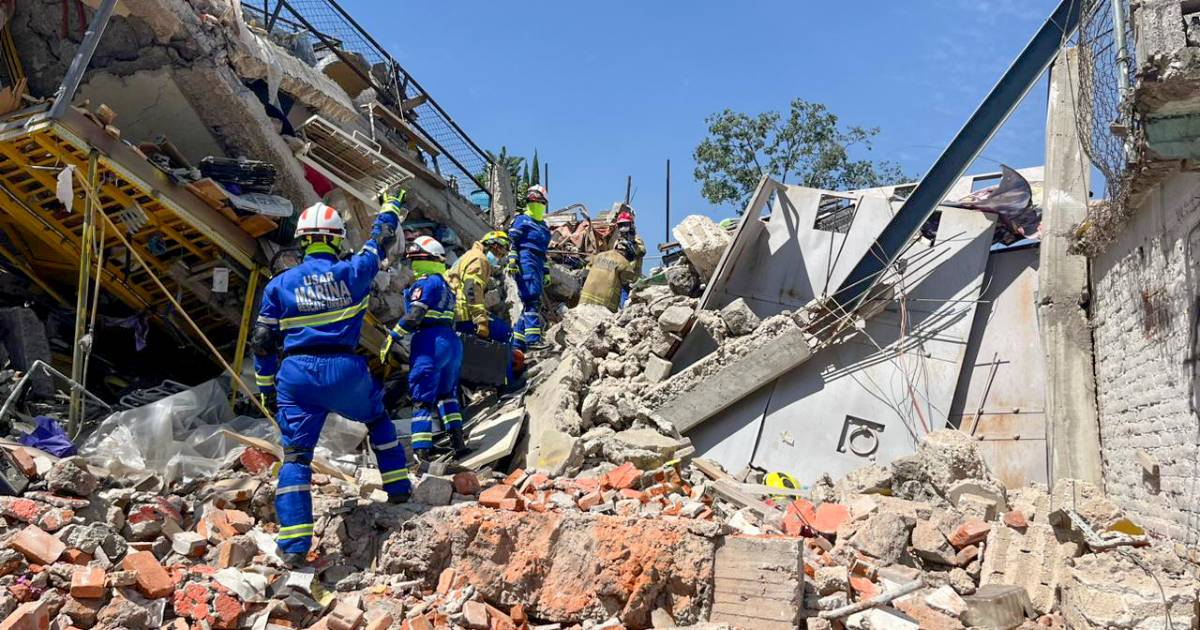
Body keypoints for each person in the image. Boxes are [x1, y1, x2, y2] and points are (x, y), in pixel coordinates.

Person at [252, 195, 409, 566]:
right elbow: (382, 236)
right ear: (337, 240)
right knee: (377, 419)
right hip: (344, 369)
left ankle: (292, 545)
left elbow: (262, 341)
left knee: (296, 455)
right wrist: (390, 207)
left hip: (296, 375)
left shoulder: (279, 284)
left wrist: (265, 387)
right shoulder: (355, 270)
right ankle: (400, 490)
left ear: (303, 241)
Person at [380, 236, 466, 460]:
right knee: (447, 394)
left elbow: (415, 314)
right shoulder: (446, 286)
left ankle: (421, 450)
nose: (412, 265)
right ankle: (458, 443)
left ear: (422, 259)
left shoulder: (427, 282)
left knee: (422, 397)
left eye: (414, 259)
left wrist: (394, 335)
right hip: (451, 341)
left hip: (430, 341)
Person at [448, 231, 515, 383]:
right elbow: (472, 289)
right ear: (492, 245)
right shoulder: (480, 259)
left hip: (455, 314)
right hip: (465, 313)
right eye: (500, 250)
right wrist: (480, 320)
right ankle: (507, 383)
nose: (500, 255)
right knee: (506, 334)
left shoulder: (468, 255)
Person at [507, 185, 552, 350]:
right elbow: (512, 242)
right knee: (530, 297)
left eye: (538, 201)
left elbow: (544, 252)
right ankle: (532, 339)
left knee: (533, 301)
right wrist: (512, 259)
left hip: (538, 262)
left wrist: (546, 272)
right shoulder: (521, 220)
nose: (534, 204)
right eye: (531, 200)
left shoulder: (543, 227)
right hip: (526, 258)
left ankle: (518, 342)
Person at [579, 240, 639, 313]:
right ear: (628, 253)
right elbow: (630, 281)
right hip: (605, 303)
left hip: (585, 298)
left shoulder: (599, 255)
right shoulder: (624, 262)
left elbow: (587, 269)